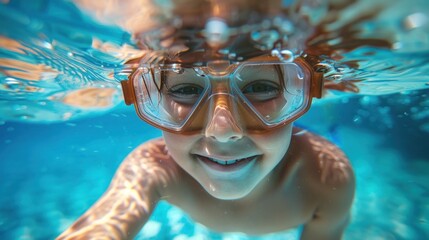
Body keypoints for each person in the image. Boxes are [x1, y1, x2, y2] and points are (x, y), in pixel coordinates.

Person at [58, 0, 355, 239]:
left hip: (308, 139)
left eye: (261, 88)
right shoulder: (153, 168)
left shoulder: (327, 177)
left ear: (303, 91)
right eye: (185, 89)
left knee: (330, 132)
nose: (223, 131)